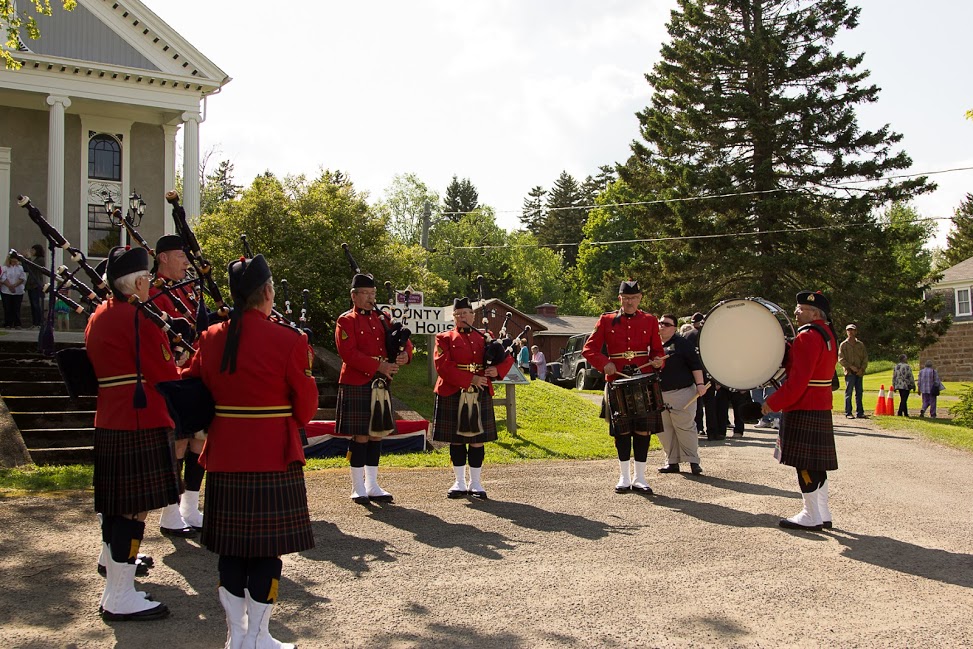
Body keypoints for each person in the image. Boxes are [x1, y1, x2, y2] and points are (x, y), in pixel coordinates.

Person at [186, 254, 318, 649]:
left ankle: (236, 637)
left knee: (230, 551)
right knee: (266, 552)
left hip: (225, 453)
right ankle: (258, 638)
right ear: (267, 292)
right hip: (273, 455)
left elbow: (192, 388)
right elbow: (306, 409)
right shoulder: (290, 340)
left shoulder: (209, 338)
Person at [86, 246, 180, 621]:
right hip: (140, 417)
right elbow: (165, 373)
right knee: (133, 509)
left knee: (116, 505)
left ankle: (115, 577)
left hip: (111, 415)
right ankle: (120, 595)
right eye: (148, 280)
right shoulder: (140, 319)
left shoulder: (99, 315)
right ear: (139, 282)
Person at [763, 290, 839, 532]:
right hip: (820, 404)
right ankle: (822, 512)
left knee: (804, 462)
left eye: (801, 308)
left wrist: (771, 403)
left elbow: (798, 382)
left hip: (803, 404)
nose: (796, 312)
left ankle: (810, 514)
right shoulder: (827, 334)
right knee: (817, 463)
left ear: (815, 313)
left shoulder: (807, 336)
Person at [335, 272, 413, 504]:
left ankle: (373, 485)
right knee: (361, 435)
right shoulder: (346, 320)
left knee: (377, 434)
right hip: (358, 381)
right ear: (354, 295)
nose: (371, 298)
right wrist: (380, 366)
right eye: (366, 294)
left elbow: (407, 344)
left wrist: (403, 356)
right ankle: (357, 486)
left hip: (380, 383)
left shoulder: (383, 319)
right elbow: (348, 353)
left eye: (373, 293)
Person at [582, 280, 665, 494]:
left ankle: (640, 478)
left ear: (640, 298)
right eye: (626, 298)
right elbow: (589, 350)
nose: (630, 302)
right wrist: (604, 363)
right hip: (617, 381)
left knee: (643, 430)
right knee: (622, 431)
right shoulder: (606, 320)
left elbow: (657, 350)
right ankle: (624, 477)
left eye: (634, 298)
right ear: (619, 298)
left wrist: (658, 361)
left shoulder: (650, 320)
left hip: (644, 380)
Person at [432, 297, 514, 499]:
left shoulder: (486, 337)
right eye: (458, 314)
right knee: (457, 439)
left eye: (465, 313)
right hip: (453, 391)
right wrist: (471, 379)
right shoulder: (444, 338)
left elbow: (506, 358)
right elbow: (442, 365)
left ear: (473, 315)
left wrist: (497, 370)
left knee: (477, 439)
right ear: (453, 317)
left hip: (480, 391)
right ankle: (459, 482)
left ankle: (476, 483)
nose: (461, 317)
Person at [151, 234, 203, 537]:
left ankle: (189, 507)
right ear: (163, 258)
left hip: (196, 375)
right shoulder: (154, 293)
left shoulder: (187, 291)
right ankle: (170, 511)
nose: (186, 262)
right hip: (173, 378)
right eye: (180, 256)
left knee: (199, 441)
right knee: (178, 443)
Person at [656, 313, 707, 475]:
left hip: (683, 391)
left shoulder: (682, 343)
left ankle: (693, 461)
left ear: (674, 327)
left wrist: (700, 385)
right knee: (664, 429)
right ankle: (672, 462)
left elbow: (695, 364)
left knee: (685, 427)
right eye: (660, 323)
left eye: (666, 324)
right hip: (659, 393)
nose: (662, 326)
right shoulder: (653, 343)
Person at [838, 323, 868, 419]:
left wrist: (862, 369)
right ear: (846, 332)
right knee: (849, 392)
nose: (850, 332)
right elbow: (841, 359)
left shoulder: (860, 344)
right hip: (849, 372)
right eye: (849, 330)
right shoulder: (843, 345)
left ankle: (860, 412)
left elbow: (865, 358)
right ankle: (848, 412)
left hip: (859, 372)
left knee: (859, 393)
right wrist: (850, 367)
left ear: (855, 331)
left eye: (852, 330)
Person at [1, 253, 27, 328]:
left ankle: (17, 323)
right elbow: (3, 278)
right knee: (7, 308)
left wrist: (14, 285)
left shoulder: (20, 268)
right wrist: (9, 286)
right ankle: (8, 323)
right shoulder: (4, 268)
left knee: (16, 308)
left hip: (18, 291)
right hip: (6, 290)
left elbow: (22, 278)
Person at [26, 244, 45, 328]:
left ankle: (39, 323)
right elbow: (26, 268)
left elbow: (32, 267)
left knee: (36, 304)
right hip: (31, 285)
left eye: (33, 250)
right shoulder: (36, 259)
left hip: (36, 285)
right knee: (33, 305)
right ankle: (34, 323)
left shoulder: (40, 260)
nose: (32, 252)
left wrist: (29, 258)